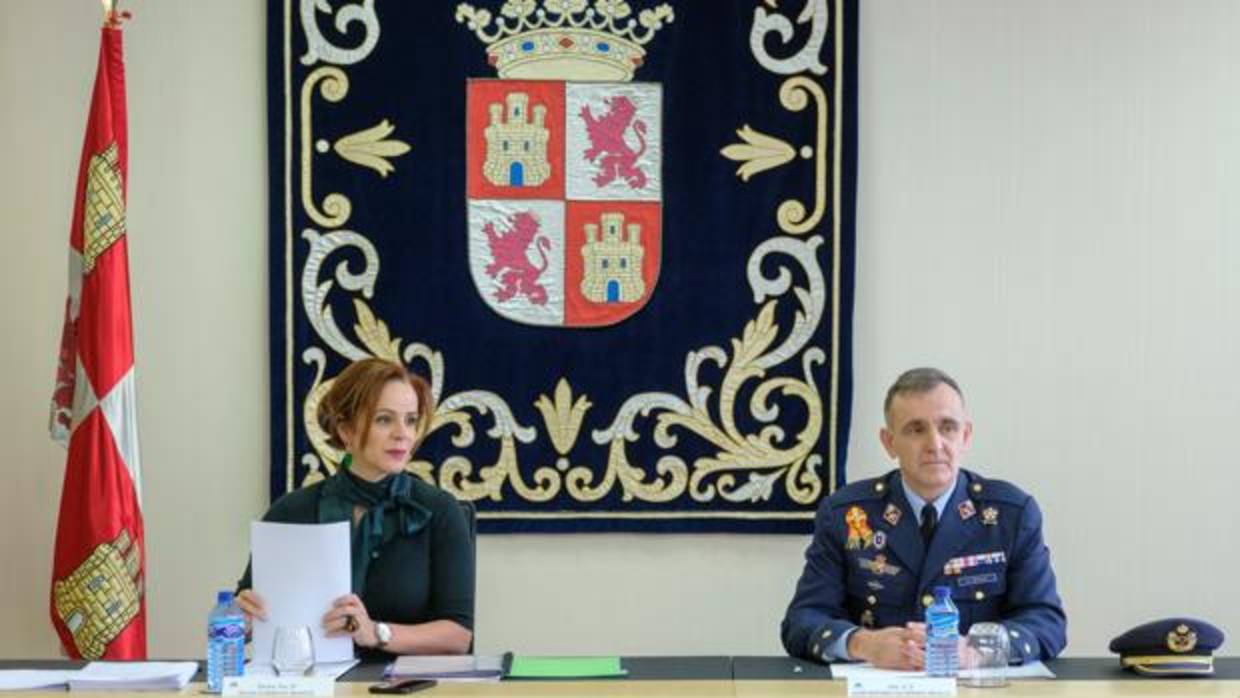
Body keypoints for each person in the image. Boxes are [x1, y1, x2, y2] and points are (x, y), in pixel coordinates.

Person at [781, 367, 1066, 669]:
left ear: (965, 436)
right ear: (889, 442)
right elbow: (803, 620)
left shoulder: (1011, 515)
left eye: (948, 427)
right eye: (916, 429)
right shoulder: (847, 515)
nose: (935, 444)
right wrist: (865, 644)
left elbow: (1046, 622)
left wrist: (976, 650)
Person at [236, 358, 474, 659]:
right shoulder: (290, 512)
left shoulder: (440, 510)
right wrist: (239, 619)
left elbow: (458, 635)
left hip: (408, 687)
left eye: (411, 420)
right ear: (346, 430)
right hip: (312, 684)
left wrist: (375, 632)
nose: (403, 434)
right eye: (385, 419)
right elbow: (242, 611)